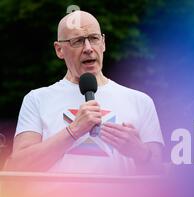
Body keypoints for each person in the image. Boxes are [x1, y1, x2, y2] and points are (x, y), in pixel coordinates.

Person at [4, 11, 164, 175]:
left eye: (93, 38)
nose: (88, 48)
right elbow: (18, 167)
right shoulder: (37, 99)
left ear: (103, 43)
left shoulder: (140, 101)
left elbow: (161, 175)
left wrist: (139, 152)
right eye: (78, 41)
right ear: (59, 50)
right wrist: (73, 131)